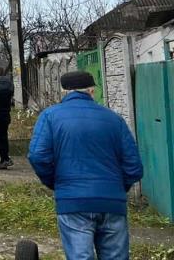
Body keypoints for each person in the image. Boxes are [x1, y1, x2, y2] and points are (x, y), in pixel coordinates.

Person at [28, 71, 143, 260]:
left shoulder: (50, 116)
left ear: (63, 92)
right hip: (112, 202)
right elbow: (134, 166)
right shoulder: (114, 119)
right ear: (91, 90)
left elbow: (38, 156)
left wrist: (55, 183)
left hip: (73, 201)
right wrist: (117, 189)